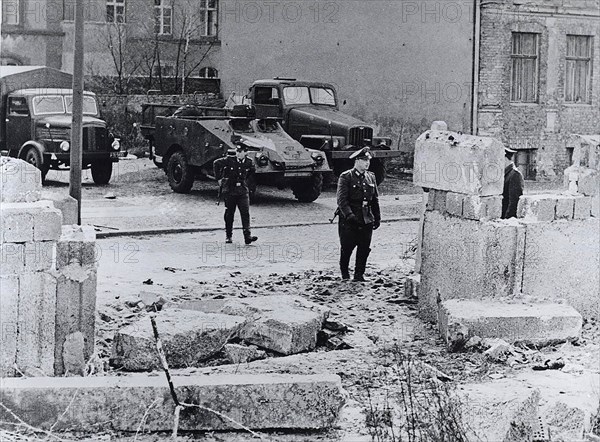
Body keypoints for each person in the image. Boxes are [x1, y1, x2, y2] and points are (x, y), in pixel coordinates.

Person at [336, 146, 381, 282]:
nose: (367, 163)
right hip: (350, 219)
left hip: (366, 218)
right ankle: (345, 273)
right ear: (356, 161)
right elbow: (341, 200)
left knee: (364, 248)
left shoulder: (371, 177)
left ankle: (359, 274)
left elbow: (375, 200)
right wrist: (349, 216)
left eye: (368, 160)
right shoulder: (346, 177)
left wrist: (377, 217)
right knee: (347, 248)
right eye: (363, 160)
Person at [213, 142, 258, 244]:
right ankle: (228, 236)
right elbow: (216, 163)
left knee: (245, 213)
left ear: (245, 152)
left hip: (242, 191)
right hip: (230, 191)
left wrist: (244, 182)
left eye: (240, 152)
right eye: (237, 151)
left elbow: (251, 172)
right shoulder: (230, 160)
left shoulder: (249, 162)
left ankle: (247, 236)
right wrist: (219, 179)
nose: (238, 153)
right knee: (229, 214)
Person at [502, 147, 524, 219]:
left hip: (507, 220)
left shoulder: (515, 174)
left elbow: (514, 203)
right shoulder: (505, 173)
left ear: (504, 158)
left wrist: (506, 220)